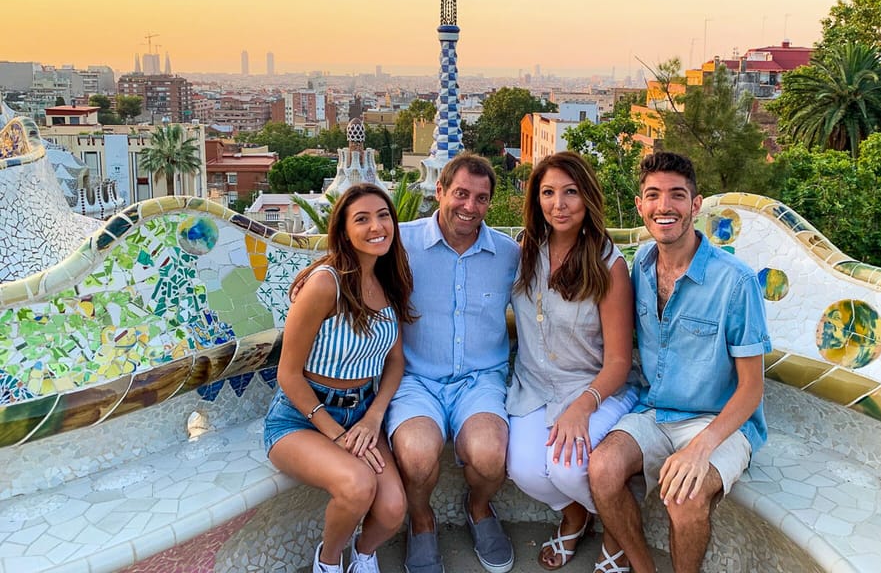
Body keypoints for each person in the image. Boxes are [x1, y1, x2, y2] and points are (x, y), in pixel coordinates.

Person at [589, 152, 772, 573]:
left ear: (695, 204)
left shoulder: (736, 282)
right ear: (640, 206)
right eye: (653, 195)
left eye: (677, 195)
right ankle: (642, 567)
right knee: (601, 469)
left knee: (685, 496)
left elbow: (752, 389)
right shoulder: (640, 266)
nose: (664, 206)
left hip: (719, 422)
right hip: (655, 412)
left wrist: (701, 447)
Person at [263, 184, 415, 573]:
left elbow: (395, 362)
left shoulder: (389, 281)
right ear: (344, 231)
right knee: (358, 486)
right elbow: (287, 374)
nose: (376, 226)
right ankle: (328, 562)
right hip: (302, 418)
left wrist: (373, 417)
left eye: (383, 215)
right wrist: (336, 434)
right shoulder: (324, 284)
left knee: (393, 509)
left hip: (362, 415)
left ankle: (363, 555)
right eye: (361, 219)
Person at [387, 153, 520, 573]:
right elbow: (352, 256)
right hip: (415, 379)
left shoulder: (508, 254)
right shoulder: (401, 242)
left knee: (490, 454)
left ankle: (478, 507)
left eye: (481, 198)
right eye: (461, 193)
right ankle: (421, 521)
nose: (470, 206)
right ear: (440, 191)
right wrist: (317, 272)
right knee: (416, 455)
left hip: (480, 380)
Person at [506, 152, 639, 570]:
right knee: (523, 469)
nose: (558, 204)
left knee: (566, 469)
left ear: (588, 198)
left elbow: (619, 361)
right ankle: (577, 515)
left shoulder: (608, 264)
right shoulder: (526, 251)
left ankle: (617, 530)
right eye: (548, 193)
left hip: (595, 388)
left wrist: (582, 408)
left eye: (570, 192)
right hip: (534, 388)